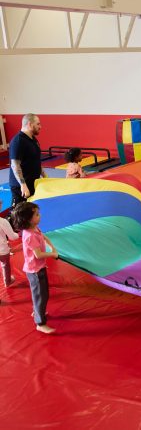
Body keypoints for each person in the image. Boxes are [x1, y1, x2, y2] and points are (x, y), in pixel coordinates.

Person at [12, 202, 59, 334]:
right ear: (28, 220)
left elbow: (43, 236)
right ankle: (40, 323)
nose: (40, 216)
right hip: (35, 271)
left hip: (39, 268)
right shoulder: (29, 235)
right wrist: (53, 254)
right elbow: (38, 255)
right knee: (40, 295)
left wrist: (51, 244)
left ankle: (38, 311)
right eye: (37, 214)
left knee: (42, 294)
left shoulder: (34, 229)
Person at [9, 113, 47, 207]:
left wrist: (45, 176)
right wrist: (23, 185)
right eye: (38, 124)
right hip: (21, 187)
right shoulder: (18, 141)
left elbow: (36, 160)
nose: (40, 127)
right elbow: (15, 165)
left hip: (33, 183)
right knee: (18, 215)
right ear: (30, 124)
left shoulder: (33, 139)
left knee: (30, 213)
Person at [0, 199, 20, 287]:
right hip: (2, 250)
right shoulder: (3, 222)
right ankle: (7, 281)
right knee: (5, 265)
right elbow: (12, 237)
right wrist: (17, 234)